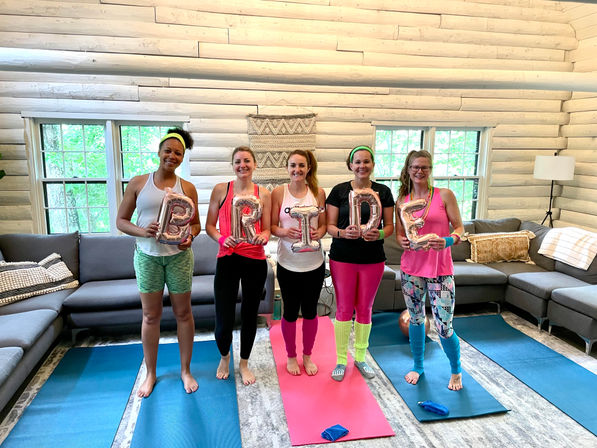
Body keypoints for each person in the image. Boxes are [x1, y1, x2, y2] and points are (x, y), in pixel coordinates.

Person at [116, 128, 200, 398]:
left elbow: (195, 225)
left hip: (178, 259)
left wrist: (190, 237)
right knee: (151, 316)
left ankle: (185, 370)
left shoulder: (187, 188)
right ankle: (151, 373)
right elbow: (120, 221)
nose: (172, 156)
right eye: (168, 150)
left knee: (183, 314)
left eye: (178, 152)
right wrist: (144, 232)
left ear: (182, 157)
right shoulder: (139, 183)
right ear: (159, 152)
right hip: (147, 257)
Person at [396, 149, 465, 391]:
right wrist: (401, 241)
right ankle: (418, 365)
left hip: (440, 270)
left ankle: (456, 370)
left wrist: (447, 241)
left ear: (430, 169)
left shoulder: (444, 195)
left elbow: (459, 228)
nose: (420, 171)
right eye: (415, 167)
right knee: (415, 319)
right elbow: (399, 233)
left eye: (425, 167)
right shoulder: (402, 200)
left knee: (444, 327)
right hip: (411, 269)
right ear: (408, 169)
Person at [326, 145, 395, 381]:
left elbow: (390, 227)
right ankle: (341, 360)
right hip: (342, 257)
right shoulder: (338, 191)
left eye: (366, 162)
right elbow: (329, 227)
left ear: (372, 165)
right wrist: (343, 233)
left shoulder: (383, 192)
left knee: (365, 309)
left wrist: (381, 235)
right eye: (357, 162)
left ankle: (361, 358)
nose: (362, 166)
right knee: (344, 308)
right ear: (350, 165)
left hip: (372, 259)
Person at [205, 146, 271, 385]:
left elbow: (268, 228)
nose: (242, 165)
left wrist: (264, 236)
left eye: (246, 161)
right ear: (232, 165)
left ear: (254, 164)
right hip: (228, 258)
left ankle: (244, 363)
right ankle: (224, 356)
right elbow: (210, 226)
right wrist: (222, 238)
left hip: (255, 260)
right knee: (223, 314)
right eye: (237, 161)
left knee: (249, 314)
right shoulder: (222, 190)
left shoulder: (263, 194)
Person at [271, 150, 327, 376]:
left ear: (308, 168)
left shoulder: (318, 192)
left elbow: (323, 226)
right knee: (291, 312)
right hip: (288, 263)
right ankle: (291, 356)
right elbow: (272, 226)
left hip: (314, 263)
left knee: (311, 312)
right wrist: (285, 231)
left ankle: (307, 355)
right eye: (293, 165)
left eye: (301, 165)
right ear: (287, 168)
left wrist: (317, 233)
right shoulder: (278, 193)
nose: (297, 170)